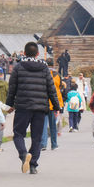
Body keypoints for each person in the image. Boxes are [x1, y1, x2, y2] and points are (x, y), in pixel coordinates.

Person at [6, 42, 60, 174]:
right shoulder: (44, 68)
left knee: (18, 134)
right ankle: (33, 165)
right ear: (37, 54)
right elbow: (51, 89)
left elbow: (12, 88)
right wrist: (56, 106)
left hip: (23, 107)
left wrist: (10, 104)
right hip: (40, 108)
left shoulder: (18, 67)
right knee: (37, 137)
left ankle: (24, 155)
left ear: (24, 53)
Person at [41, 60, 63, 151]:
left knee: (43, 125)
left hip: (44, 102)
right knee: (53, 125)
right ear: (53, 65)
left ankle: (43, 144)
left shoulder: (42, 74)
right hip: (54, 103)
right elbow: (59, 90)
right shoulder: (57, 75)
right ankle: (54, 144)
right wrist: (59, 105)